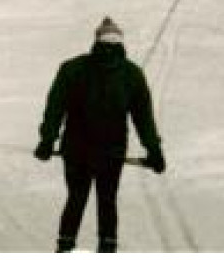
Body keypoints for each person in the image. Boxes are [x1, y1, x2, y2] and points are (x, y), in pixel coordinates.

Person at [35, 17, 164, 253]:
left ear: (96, 41)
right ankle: (106, 250)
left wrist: (47, 140)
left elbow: (55, 108)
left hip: (77, 150)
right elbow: (143, 118)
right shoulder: (132, 73)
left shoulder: (72, 68)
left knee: (76, 198)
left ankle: (64, 248)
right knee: (107, 201)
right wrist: (153, 150)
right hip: (110, 152)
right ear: (120, 44)